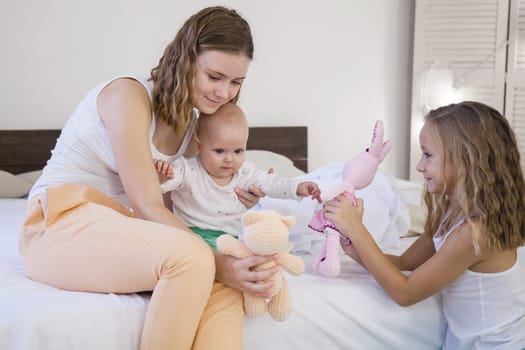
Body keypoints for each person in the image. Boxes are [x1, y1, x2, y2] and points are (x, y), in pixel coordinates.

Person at [19, 6, 275, 350]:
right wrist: (217, 261)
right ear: (184, 59)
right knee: (198, 259)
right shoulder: (128, 96)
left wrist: (230, 194)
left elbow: (180, 210)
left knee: (223, 283)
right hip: (59, 222)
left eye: (235, 82)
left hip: (125, 231)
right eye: (214, 77)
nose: (224, 92)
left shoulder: (196, 128)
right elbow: (146, 202)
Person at [323, 101, 525, 349]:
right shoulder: (451, 215)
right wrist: (355, 247)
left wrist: (358, 229)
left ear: (466, 159)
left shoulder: (474, 233)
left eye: (427, 155)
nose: (419, 166)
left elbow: (405, 293)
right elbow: (403, 264)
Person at [154, 102, 321, 250]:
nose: (229, 159)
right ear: (199, 145)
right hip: (189, 235)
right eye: (219, 151)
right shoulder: (187, 169)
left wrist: (297, 187)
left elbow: (272, 183)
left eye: (238, 151)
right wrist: (163, 175)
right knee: (189, 258)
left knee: (248, 261)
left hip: (228, 241)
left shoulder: (245, 173)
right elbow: (164, 183)